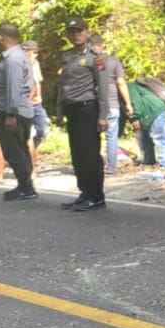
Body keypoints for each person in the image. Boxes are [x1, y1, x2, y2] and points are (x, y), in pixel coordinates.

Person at [58, 18, 109, 211]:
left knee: (89, 154)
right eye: (72, 32)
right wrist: (60, 110)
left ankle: (96, 195)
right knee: (77, 154)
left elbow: (103, 87)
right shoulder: (67, 56)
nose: (76, 35)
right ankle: (84, 192)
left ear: (87, 32)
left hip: (88, 108)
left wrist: (103, 115)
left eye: (79, 31)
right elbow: (63, 85)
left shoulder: (97, 57)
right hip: (72, 108)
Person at [0, 22, 37, 201]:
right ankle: (25, 185)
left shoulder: (14, 59)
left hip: (14, 112)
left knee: (14, 150)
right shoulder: (16, 56)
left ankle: (26, 187)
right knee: (18, 149)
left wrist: (11, 114)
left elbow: (14, 87)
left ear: (1, 37)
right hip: (19, 109)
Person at [88, 33, 134, 175]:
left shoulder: (89, 60)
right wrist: (128, 103)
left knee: (91, 136)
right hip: (112, 103)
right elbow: (121, 82)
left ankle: (93, 166)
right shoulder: (113, 61)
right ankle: (111, 167)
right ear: (102, 45)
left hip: (93, 103)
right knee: (111, 136)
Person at [129, 78, 165, 169]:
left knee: (159, 137)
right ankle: (149, 161)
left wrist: (135, 118)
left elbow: (136, 103)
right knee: (143, 137)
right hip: (146, 112)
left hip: (155, 110)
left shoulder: (129, 86)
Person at [23, 40, 49, 169]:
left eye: (37, 52)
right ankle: (25, 156)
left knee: (43, 130)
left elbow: (38, 81)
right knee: (25, 133)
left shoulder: (35, 64)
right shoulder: (19, 65)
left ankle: (29, 153)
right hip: (25, 104)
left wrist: (40, 97)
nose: (36, 55)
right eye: (34, 52)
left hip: (37, 103)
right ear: (25, 51)